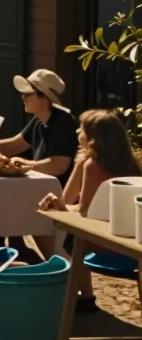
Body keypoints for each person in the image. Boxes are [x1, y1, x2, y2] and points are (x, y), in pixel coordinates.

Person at [36, 109, 140, 312]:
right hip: (132, 244)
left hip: (103, 242)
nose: (77, 132)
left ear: (94, 139)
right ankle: (84, 296)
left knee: (51, 230)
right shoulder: (133, 165)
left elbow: (84, 212)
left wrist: (60, 206)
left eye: (81, 130)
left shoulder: (92, 166)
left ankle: (75, 292)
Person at [0, 69, 78, 184]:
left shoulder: (64, 122)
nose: (23, 97)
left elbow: (58, 165)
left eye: (28, 93)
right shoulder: (39, 119)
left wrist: (24, 164)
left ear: (44, 97)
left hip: (56, 195)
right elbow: (15, 145)